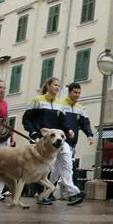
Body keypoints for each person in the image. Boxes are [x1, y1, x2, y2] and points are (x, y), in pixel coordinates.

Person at [22, 77, 78, 205]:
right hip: (40, 140)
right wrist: (34, 133)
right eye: (55, 85)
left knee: (61, 164)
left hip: (56, 141)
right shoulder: (37, 101)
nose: (57, 88)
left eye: (59, 86)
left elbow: (63, 122)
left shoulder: (60, 104)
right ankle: (42, 193)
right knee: (42, 168)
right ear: (48, 86)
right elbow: (26, 120)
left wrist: (68, 130)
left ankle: (68, 192)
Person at [54, 82, 94, 199]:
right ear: (69, 92)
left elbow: (85, 123)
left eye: (79, 93)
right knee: (66, 168)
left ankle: (47, 193)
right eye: (75, 92)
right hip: (59, 142)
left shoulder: (81, 108)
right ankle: (73, 193)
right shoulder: (60, 104)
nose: (77, 95)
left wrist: (89, 135)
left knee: (59, 169)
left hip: (71, 144)